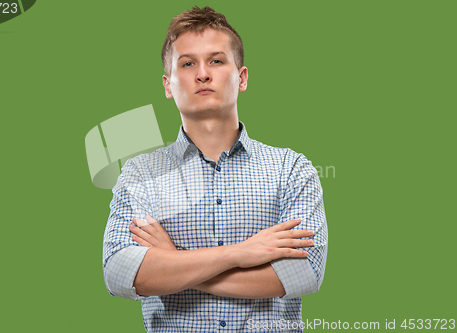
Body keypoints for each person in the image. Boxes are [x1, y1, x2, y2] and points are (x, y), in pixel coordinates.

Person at [103, 6, 327, 332]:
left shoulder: (291, 169)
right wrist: (240, 253)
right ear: (168, 85)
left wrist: (173, 259)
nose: (203, 74)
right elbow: (122, 275)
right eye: (188, 63)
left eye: (217, 61)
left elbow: (304, 273)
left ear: (242, 77)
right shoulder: (140, 174)